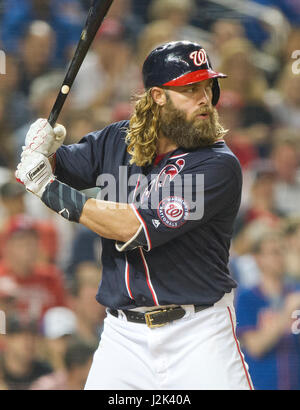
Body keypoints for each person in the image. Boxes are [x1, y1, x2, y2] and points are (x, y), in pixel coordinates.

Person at [16, 41, 253, 390]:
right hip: (123, 337)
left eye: (207, 87)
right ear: (158, 96)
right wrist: (40, 149)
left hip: (199, 333)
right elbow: (57, 165)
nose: (205, 98)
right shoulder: (117, 139)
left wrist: (48, 189)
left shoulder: (217, 165)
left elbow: (133, 226)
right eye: (190, 89)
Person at [235, 232, 300, 390]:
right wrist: (286, 312)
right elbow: (256, 347)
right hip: (262, 383)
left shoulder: (295, 292)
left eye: (282, 251)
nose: (279, 258)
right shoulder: (247, 297)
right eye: (273, 252)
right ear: (258, 259)